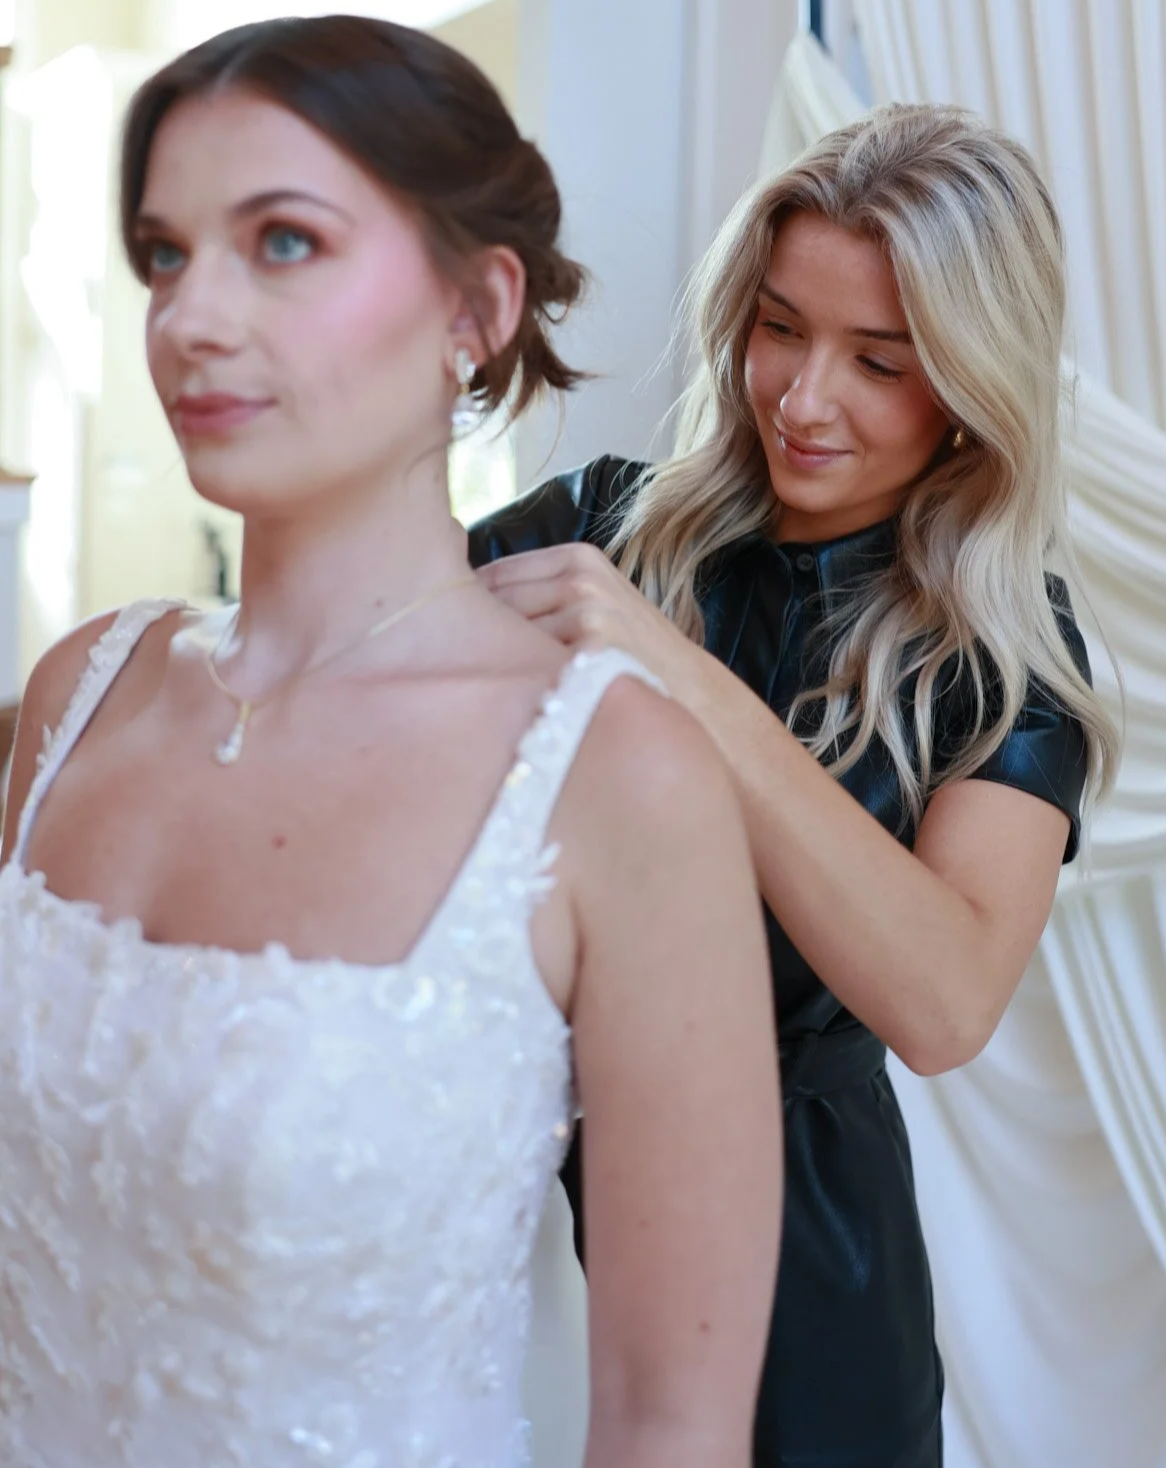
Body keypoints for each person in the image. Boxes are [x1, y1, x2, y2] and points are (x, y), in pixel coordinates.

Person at [0, 17, 783, 1468]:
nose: (190, 318)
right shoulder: (79, 696)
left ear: (475, 309)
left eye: (280, 242)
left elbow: (673, 1425)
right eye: (166, 254)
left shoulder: (612, 783)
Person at [470, 103, 1121, 1468]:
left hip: (802, 1260)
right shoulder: (598, 526)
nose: (801, 397)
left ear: (967, 384)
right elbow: (339, 676)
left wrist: (683, 678)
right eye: (778, 327)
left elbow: (942, 1001)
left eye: (877, 361)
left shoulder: (1004, 661)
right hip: (490, 1186)